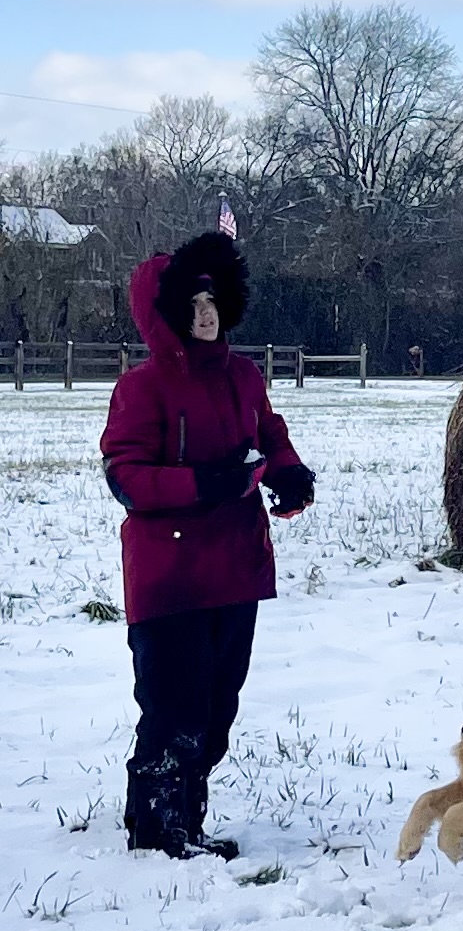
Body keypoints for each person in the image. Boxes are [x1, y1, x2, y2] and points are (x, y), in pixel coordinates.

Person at [100, 232, 315, 860]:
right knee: (174, 707)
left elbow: (270, 434)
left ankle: (186, 819)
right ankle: (157, 827)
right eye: (191, 305)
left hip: (236, 568)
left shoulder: (243, 375)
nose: (205, 315)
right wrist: (203, 483)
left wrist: (289, 474)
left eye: (212, 301)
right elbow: (126, 475)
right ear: (164, 313)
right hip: (169, 575)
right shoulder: (141, 388)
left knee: (219, 705)